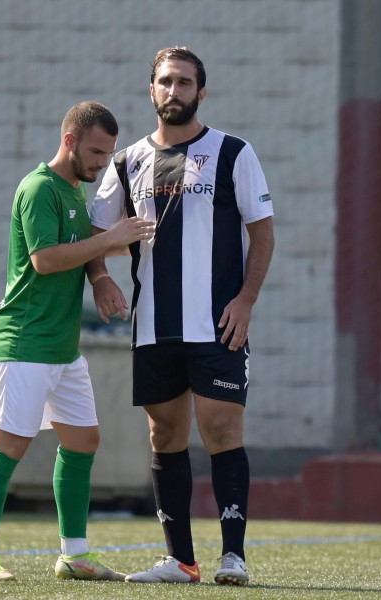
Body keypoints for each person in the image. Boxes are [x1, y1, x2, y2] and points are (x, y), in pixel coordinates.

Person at [88, 47, 275, 586]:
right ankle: (181, 560)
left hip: (219, 323)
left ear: (201, 92)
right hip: (153, 325)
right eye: (165, 82)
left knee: (221, 428)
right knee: (163, 434)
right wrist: (100, 277)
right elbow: (98, 236)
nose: (175, 91)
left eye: (185, 82)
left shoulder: (233, 153)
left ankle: (233, 556)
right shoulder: (126, 161)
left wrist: (246, 300)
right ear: (152, 90)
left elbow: (261, 233)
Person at [0, 101, 155, 582]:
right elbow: (46, 259)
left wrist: (102, 275)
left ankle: (74, 554)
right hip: (23, 342)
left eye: (108, 154)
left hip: (63, 349)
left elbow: (85, 249)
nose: (101, 162)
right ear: (69, 140)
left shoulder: (73, 191)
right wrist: (112, 238)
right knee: (8, 443)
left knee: (84, 440)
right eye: (95, 151)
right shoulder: (38, 188)